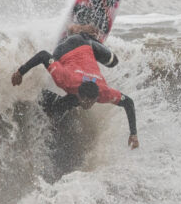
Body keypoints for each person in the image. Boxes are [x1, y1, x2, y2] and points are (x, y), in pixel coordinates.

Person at [11, 29, 139, 149]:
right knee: (66, 104)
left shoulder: (104, 92)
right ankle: (81, 33)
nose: (87, 105)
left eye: (91, 102)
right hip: (64, 50)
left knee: (113, 61)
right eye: (85, 101)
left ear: (97, 98)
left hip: (86, 46)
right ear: (79, 94)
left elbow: (128, 102)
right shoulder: (65, 79)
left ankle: (88, 37)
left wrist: (133, 134)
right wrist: (20, 72)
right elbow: (43, 55)